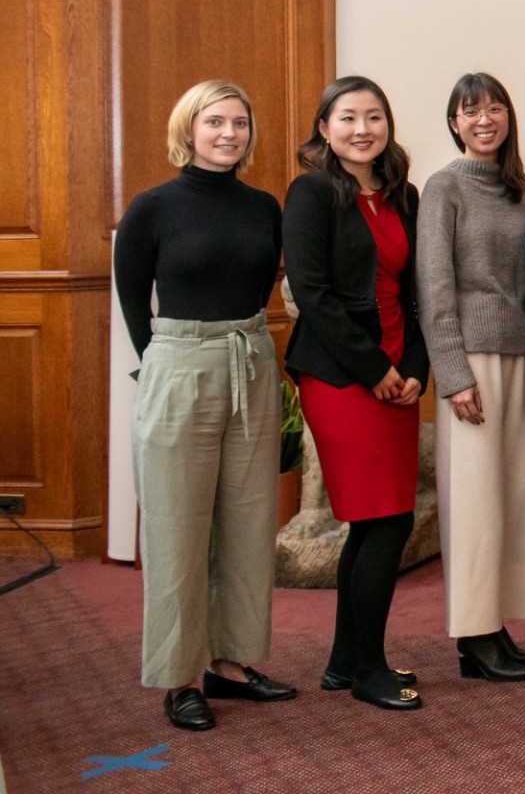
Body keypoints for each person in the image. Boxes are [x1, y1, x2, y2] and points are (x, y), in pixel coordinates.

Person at [114, 80, 296, 730]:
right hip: (179, 362)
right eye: (215, 122)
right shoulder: (152, 207)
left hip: (249, 358)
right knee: (176, 529)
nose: (229, 133)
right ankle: (179, 676)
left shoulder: (263, 206)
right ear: (188, 129)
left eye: (239, 123)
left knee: (248, 523)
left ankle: (232, 663)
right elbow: (134, 299)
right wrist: (162, 363)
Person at [283, 76, 427, 711]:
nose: (362, 128)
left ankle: (345, 660)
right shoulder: (311, 193)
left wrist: (414, 366)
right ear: (324, 127)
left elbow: (417, 291)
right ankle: (370, 667)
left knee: (378, 521)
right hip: (343, 376)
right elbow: (312, 295)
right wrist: (375, 370)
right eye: (348, 117)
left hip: (400, 373)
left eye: (374, 116)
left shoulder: (405, 195)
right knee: (385, 519)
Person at [417, 73, 525, 682]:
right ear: (454, 122)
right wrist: (451, 374)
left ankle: (496, 624)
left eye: (494, 108)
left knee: (512, 497)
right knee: (473, 502)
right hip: (469, 362)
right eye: (471, 111)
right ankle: (473, 636)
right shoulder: (443, 188)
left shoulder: (519, 191)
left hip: (518, 357)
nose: (484, 120)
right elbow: (434, 287)